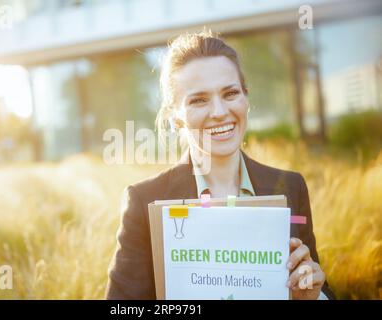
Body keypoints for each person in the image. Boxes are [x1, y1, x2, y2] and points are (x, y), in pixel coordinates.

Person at [106, 30, 334, 300]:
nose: (219, 112)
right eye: (199, 100)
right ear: (175, 116)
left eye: (230, 93)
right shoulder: (144, 202)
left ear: (246, 98)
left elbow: (317, 286)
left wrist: (312, 296)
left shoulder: (290, 187)